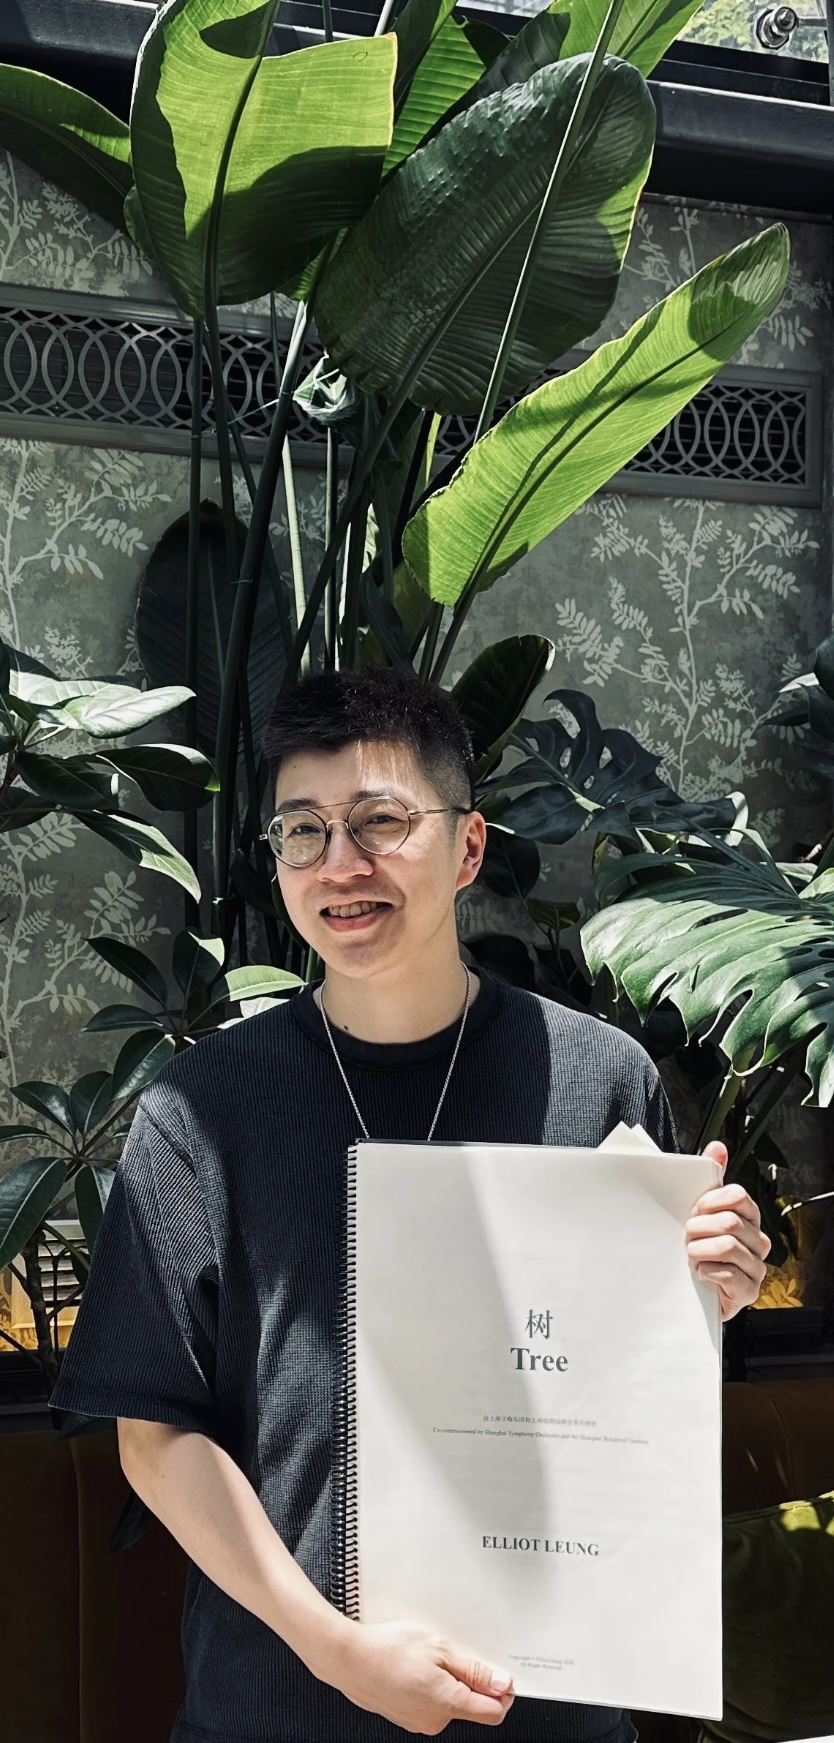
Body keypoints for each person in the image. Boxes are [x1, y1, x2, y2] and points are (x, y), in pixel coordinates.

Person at [50, 666, 770, 1743]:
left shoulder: (597, 1077)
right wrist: (337, 1651)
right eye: (303, 831)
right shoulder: (201, 1110)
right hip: (282, 1713)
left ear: (468, 846)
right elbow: (154, 1436)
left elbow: (625, 1380)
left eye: (381, 821)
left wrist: (712, 1289)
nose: (341, 864)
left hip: (551, 1716)